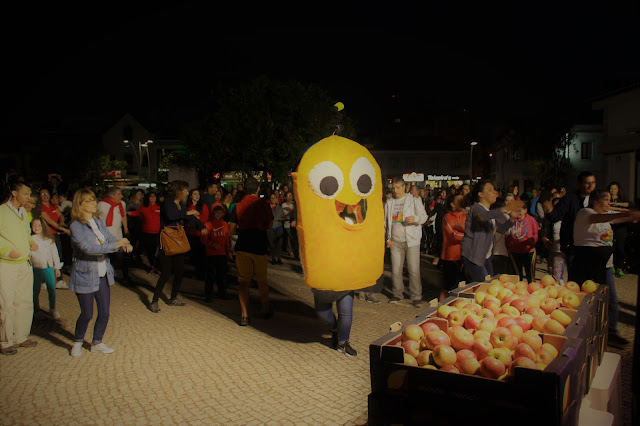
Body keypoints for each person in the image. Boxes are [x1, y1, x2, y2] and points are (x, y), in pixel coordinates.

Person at [572, 190, 640, 348]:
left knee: (611, 299)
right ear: (596, 202)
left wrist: (632, 216)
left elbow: (616, 218)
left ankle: (611, 332)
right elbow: (600, 218)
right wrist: (626, 213)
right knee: (586, 300)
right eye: (606, 200)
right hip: (588, 264)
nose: (609, 203)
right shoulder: (585, 213)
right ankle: (582, 333)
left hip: (605, 265)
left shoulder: (605, 217)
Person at [68, 189, 132, 356]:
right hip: (85, 273)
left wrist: (123, 243)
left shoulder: (98, 221)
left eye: (93, 199)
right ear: (79, 204)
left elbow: (109, 238)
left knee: (104, 312)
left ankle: (97, 342)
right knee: (87, 313)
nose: (93, 203)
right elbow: (88, 248)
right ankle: (78, 341)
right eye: (88, 201)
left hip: (103, 272)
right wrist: (116, 245)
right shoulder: (76, 226)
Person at [147, 180, 208, 313]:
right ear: (178, 191)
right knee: (166, 272)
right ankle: (154, 301)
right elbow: (171, 216)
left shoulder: (181, 204)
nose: (187, 193)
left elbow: (189, 219)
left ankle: (173, 298)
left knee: (180, 271)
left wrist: (201, 226)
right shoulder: (168, 202)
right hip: (167, 240)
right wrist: (189, 213)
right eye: (185, 190)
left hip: (178, 239)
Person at [228, 177, 273, 326]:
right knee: (262, 281)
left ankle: (244, 315)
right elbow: (269, 224)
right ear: (258, 188)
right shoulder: (264, 205)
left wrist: (243, 231)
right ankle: (266, 309)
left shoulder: (238, 206)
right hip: (259, 247)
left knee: (243, 282)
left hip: (243, 246)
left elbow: (232, 230)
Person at [0, 181, 39, 355]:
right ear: (14, 193)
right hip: (6, 265)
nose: (29, 198)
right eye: (25, 194)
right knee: (6, 304)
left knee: (24, 301)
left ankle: (21, 336)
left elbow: (26, 232)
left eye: (29, 194)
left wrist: (30, 242)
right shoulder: (1, 212)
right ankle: (5, 341)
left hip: (24, 262)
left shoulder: (23, 212)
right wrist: (7, 251)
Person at [461, 180, 523, 283]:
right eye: (490, 190)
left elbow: (502, 229)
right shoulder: (476, 208)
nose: (494, 192)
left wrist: (512, 218)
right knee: (484, 286)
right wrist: (505, 209)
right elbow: (482, 217)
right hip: (474, 256)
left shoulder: (490, 212)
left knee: (490, 285)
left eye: (494, 189)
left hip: (485, 256)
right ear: (480, 194)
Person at [542, 171, 596, 282]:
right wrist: (550, 210)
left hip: (593, 244)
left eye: (593, 182)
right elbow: (556, 216)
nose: (590, 186)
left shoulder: (597, 198)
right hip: (573, 245)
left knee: (592, 279)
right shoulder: (570, 198)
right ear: (579, 184)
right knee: (575, 278)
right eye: (587, 183)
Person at [384, 177, 428, 307]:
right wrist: (388, 238)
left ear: (404, 187)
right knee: (396, 269)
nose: (395, 190)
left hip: (411, 240)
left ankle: (416, 296)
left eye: (398, 187)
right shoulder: (389, 202)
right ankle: (397, 293)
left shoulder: (414, 200)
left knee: (413, 269)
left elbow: (424, 216)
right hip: (395, 240)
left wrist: (415, 219)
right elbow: (386, 222)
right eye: (393, 188)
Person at [30, 217, 63, 321]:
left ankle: (52, 309)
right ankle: (36, 310)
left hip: (48, 267)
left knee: (51, 288)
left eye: (39, 225)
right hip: (36, 268)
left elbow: (55, 254)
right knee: (35, 289)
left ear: (43, 226)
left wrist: (57, 268)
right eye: (34, 225)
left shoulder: (49, 240)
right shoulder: (31, 239)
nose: (36, 228)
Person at [97, 187, 131, 286]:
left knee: (122, 256)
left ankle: (126, 277)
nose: (121, 196)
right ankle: (108, 276)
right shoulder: (101, 204)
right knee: (107, 257)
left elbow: (123, 216)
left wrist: (126, 228)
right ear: (112, 195)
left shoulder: (122, 204)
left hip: (118, 235)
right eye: (119, 194)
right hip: (105, 235)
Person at [38, 188, 70, 289]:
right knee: (46, 257)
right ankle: (44, 281)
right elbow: (50, 221)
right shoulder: (40, 207)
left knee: (58, 256)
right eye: (42, 194)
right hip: (45, 235)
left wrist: (61, 221)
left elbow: (60, 215)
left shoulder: (53, 206)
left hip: (55, 234)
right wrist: (64, 229)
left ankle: (59, 280)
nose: (45, 195)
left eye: (46, 193)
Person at [201, 205, 232, 301]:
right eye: (216, 212)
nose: (218, 214)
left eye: (220, 212)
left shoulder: (225, 224)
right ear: (213, 213)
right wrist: (212, 244)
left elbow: (227, 238)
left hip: (222, 253)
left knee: (221, 274)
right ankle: (208, 294)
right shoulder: (208, 224)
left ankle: (221, 292)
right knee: (210, 275)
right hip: (211, 253)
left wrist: (228, 250)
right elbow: (203, 238)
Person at [439, 193, 467, 300]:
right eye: (460, 201)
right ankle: (441, 306)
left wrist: (462, 230)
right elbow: (453, 235)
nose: (463, 202)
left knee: (463, 286)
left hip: (465, 255)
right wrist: (467, 234)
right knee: (448, 287)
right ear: (452, 204)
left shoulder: (467, 216)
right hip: (450, 256)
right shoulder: (448, 217)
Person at [505, 200, 539, 283]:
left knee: (530, 275)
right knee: (517, 276)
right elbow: (506, 234)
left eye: (520, 210)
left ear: (525, 210)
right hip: (514, 251)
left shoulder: (531, 220)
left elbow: (536, 233)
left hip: (529, 251)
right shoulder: (511, 220)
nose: (518, 213)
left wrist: (533, 240)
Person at [128, 191, 161, 274]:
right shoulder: (143, 207)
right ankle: (152, 266)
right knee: (150, 251)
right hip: (147, 232)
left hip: (158, 233)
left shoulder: (160, 207)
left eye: (154, 196)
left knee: (158, 250)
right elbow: (135, 213)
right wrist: (126, 213)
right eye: (151, 196)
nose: (152, 198)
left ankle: (157, 266)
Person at [607, 181, 632, 278]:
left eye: (614, 189)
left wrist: (615, 204)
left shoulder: (622, 200)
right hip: (610, 226)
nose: (612, 190)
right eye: (611, 188)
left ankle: (620, 268)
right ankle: (610, 266)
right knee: (609, 245)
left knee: (620, 247)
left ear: (618, 190)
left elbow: (628, 205)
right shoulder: (606, 199)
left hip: (621, 226)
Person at [185, 188, 209, 280]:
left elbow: (204, 219)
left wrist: (195, 218)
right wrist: (195, 217)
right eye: (195, 194)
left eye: (198, 194)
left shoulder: (203, 206)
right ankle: (196, 271)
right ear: (191, 196)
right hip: (190, 233)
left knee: (201, 256)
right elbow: (185, 218)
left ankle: (201, 274)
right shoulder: (188, 206)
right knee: (192, 255)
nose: (197, 196)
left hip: (199, 234)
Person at [266, 192, 285, 265]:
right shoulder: (267, 208)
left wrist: (282, 218)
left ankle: (279, 258)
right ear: (269, 199)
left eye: (275, 198)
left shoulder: (279, 207)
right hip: (270, 228)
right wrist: (276, 218)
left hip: (279, 227)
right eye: (272, 198)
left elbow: (282, 216)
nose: (273, 199)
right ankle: (273, 258)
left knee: (279, 244)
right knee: (272, 244)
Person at [281, 191, 299, 260]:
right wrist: (294, 210)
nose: (290, 197)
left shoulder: (294, 204)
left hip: (294, 223)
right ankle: (292, 251)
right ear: (285, 197)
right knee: (291, 237)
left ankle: (292, 251)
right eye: (288, 196)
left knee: (291, 238)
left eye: (291, 195)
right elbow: (290, 211)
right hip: (287, 223)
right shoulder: (284, 205)